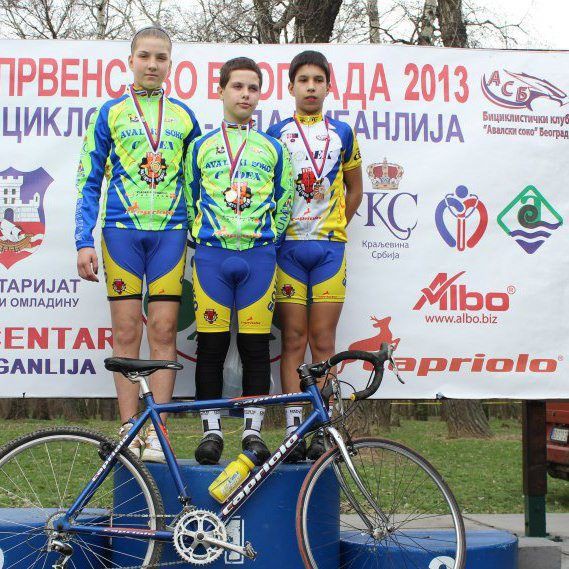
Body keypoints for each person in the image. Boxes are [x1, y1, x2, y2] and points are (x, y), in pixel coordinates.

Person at [74, 27, 201, 462]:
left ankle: (157, 429)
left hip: (169, 234)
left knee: (164, 331)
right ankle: (129, 427)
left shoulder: (185, 117)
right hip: (121, 232)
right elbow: (89, 181)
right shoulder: (109, 113)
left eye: (161, 57)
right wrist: (82, 240)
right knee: (127, 332)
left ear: (171, 64)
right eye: (145, 56)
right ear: (130, 60)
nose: (152, 64)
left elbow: (197, 182)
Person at [184, 57, 293, 465]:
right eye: (237, 87)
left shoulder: (273, 148)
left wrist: (268, 237)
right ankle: (211, 433)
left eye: (253, 88)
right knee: (210, 347)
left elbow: (284, 199)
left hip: (259, 258)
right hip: (212, 257)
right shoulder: (200, 146)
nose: (245, 94)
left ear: (260, 94)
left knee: (255, 348)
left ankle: (252, 433)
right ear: (221, 91)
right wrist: (204, 235)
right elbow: (189, 193)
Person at [267, 51, 363, 462]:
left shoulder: (343, 132)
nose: (310, 86)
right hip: (288, 248)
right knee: (293, 340)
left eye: (317, 80)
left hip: (328, 249)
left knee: (323, 341)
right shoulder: (275, 132)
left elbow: (355, 187)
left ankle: (323, 428)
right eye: (302, 80)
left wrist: (338, 223)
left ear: (328, 86)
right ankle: (292, 431)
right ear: (290, 87)